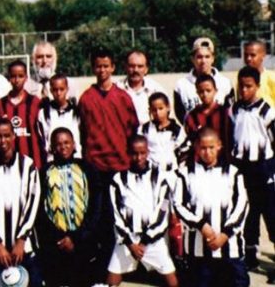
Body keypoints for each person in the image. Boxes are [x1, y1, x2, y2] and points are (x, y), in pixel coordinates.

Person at [174, 127, 249, 287]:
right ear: (196, 147)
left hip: (230, 249)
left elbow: (242, 205)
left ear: (219, 146)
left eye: (211, 147)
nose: (207, 152)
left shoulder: (233, 173)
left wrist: (226, 234)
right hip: (198, 250)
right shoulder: (185, 173)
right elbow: (178, 205)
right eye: (203, 148)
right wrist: (202, 226)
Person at [0, 118, 42, 287]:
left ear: (13, 136)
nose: (2, 141)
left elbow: (32, 203)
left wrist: (21, 239)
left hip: (23, 246)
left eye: (6, 136)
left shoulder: (28, 165)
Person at [107, 135, 178, 287]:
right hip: (128, 240)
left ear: (148, 153)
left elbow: (163, 211)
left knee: (171, 279)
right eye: (134, 153)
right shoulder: (118, 180)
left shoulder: (160, 179)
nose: (138, 157)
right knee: (112, 279)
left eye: (142, 153)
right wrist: (130, 243)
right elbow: (116, 213)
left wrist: (145, 241)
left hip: (152, 240)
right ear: (127, 152)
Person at [38, 127, 101, 287]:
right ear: (52, 147)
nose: (63, 147)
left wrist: (76, 237)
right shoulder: (44, 172)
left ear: (74, 145)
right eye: (58, 144)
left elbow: (95, 206)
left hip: (83, 241)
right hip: (56, 243)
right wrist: (59, 237)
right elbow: (40, 209)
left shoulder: (87, 169)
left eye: (67, 142)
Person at [230, 66, 275, 270]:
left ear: (257, 86)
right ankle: (250, 256)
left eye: (249, 86)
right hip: (242, 168)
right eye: (241, 86)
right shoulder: (234, 109)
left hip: (263, 168)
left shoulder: (267, 110)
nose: (244, 90)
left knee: (271, 212)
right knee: (248, 212)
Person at [78, 48, 139, 172]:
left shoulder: (123, 98)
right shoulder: (86, 98)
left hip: (120, 162)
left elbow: (132, 129)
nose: (102, 70)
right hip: (95, 163)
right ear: (93, 68)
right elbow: (83, 131)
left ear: (113, 67)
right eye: (98, 66)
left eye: (106, 66)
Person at [174, 37, 234, 124]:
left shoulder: (226, 83)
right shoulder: (181, 85)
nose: (203, 61)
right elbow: (180, 114)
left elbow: (229, 113)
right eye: (199, 57)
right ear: (192, 59)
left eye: (207, 56)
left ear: (213, 58)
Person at [0, 60, 43, 169]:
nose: (17, 80)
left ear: (26, 77)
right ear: (8, 78)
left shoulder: (35, 102)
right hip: (8, 162)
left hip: (32, 160)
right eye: (13, 76)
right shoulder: (1, 104)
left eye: (20, 76)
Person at [184, 74, 233, 160]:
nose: (205, 94)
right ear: (197, 93)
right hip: (199, 161)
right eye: (201, 91)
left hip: (222, 159)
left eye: (208, 90)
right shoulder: (192, 116)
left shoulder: (224, 113)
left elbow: (229, 138)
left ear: (215, 91)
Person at [138, 92, 187, 171]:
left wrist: (180, 169)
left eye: (161, 108)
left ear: (168, 107)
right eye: (154, 110)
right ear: (150, 110)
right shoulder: (144, 129)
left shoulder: (177, 130)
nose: (158, 113)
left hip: (171, 170)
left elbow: (183, 152)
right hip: (150, 171)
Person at [37, 74, 81, 162]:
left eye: (62, 89)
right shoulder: (44, 113)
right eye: (55, 90)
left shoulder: (76, 112)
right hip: (52, 161)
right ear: (50, 90)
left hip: (75, 160)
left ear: (67, 89)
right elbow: (42, 138)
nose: (58, 93)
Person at [116, 50, 166, 125]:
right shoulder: (117, 89)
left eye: (140, 66)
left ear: (146, 69)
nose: (136, 70)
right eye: (132, 66)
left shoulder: (156, 90)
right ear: (126, 67)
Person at [243, 40, 275, 107]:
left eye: (253, 55)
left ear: (263, 55)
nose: (248, 58)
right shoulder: (242, 80)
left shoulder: (272, 78)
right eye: (246, 55)